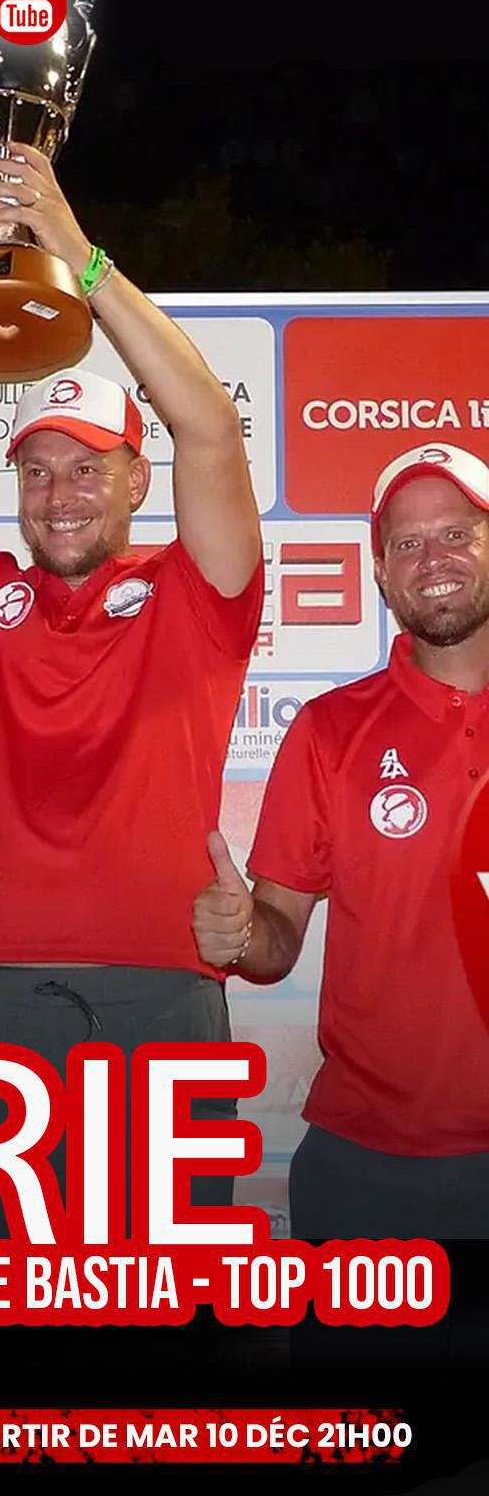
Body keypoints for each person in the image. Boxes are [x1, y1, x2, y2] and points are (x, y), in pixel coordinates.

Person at [0, 145, 262, 1231]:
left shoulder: (200, 593)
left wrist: (78, 263)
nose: (60, 492)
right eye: (36, 469)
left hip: (159, 986)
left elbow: (210, 426)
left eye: (89, 464)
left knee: (161, 1302)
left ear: (138, 477)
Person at [192, 441, 489, 1239]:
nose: (435, 558)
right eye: (407, 543)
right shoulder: (331, 731)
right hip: (367, 1171)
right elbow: (278, 940)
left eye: (459, 533)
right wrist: (244, 931)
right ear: (384, 575)